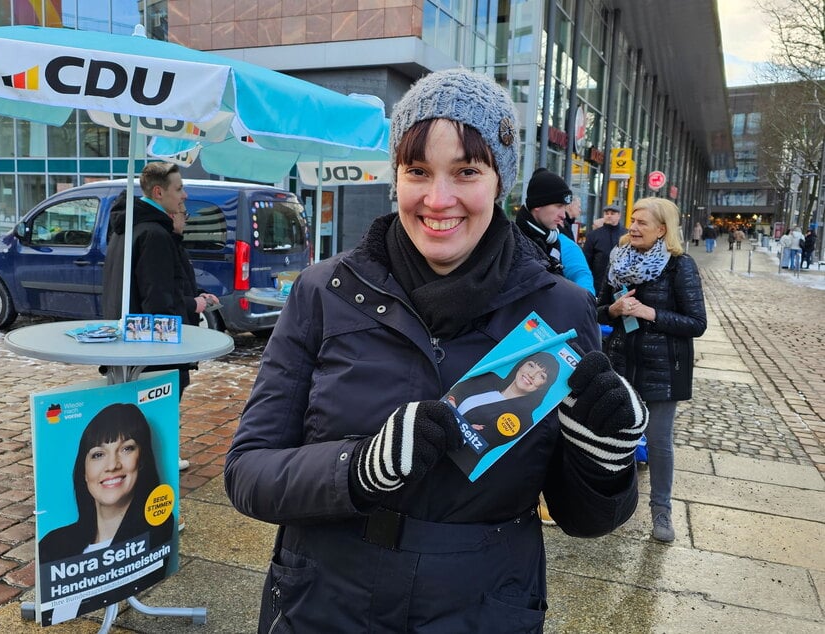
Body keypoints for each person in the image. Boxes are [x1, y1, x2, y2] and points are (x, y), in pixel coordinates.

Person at [224, 68, 647, 632]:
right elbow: (248, 473)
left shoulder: (562, 311)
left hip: (482, 604)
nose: (438, 199)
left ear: (501, 182)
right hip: (325, 599)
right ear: (395, 176)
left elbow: (583, 518)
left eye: (466, 171)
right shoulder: (323, 291)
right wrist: (358, 469)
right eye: (418, 171)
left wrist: (604, 462)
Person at [597, 197, 707, 543]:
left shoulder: (679, 266)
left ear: (662, 229)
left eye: (643, 222)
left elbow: (696, 323)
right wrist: (613, 310)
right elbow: (598, 311)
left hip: (662, 368)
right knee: (615, 436)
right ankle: (613, 506)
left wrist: (651, 314)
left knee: (658, 442)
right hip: (620, 362)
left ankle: (661, 511)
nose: (633, 226)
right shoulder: (618, 260)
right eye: (632, 219)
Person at [101, 162, 219, 470]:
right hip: (155, 348)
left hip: (129, 341)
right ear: (158, 192)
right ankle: (153, 464)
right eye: (179, 189)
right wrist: (193, 306)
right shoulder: (154, 235)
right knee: (155, 408)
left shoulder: (127, 228)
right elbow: (159, 301)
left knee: (136, 409)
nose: (184, 196)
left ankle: (144, 462)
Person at [38, 403, 176, 624]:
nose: (112, 465)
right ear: (83, 471)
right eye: (98, 454)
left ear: (141, 461)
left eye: (127, 448)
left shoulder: (158, 530)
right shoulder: (51, 545)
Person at [447, 352, 560, 473]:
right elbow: (453, 393)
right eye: (531, 365)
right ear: (521, 365)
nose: (531, 374)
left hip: (453, 465)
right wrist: (464, 424)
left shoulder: (523, 421)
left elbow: (477, 441)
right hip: (434, 428)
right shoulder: (489, 377)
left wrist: (452, 409)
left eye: (541, 376)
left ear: (543, 386)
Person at [515, 167, 596, 294]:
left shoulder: (561, 243)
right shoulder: (508, 241)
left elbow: (583, 281)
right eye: (558, 206)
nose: (563, 215)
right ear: (538, 204)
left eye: (564, 207)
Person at [582, 204, 627, 295]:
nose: (609, 215)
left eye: (612, 213)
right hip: (598, 283)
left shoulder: (626, 235)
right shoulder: (594, 235)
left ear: (619, 216)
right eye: (607, 213)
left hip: (622, 285)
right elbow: (586, 260)